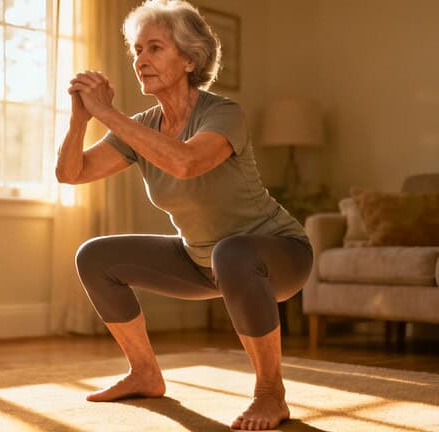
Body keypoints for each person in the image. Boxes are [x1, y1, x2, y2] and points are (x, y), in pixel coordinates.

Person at [55, 0, 313, 430]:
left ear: (190, 59)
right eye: (136, 50)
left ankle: (271, 393)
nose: (140, 61)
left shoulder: (223, 114)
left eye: (154, 48)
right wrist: (81, 118)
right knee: (95, 256)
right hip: (202, 260)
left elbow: (187, 163)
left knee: (232, 254)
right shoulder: (142, 126)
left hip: (278, 255)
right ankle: (144, 373)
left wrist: (109, 114)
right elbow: (71, 174)